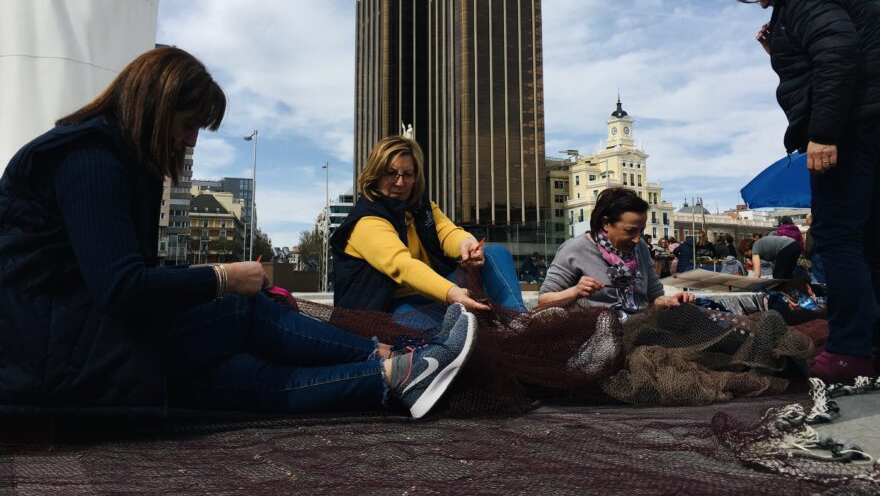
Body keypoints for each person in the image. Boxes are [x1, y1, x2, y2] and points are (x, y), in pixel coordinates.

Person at [0, 47, 476, 419]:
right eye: (188, 125)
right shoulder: (90, 160)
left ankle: (393, 377)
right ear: (151, 106)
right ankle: (390, 355)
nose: (191, 141)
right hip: (56, 355)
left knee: (234, 371)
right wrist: (224, 279)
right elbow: (122, 288)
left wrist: (219, 280)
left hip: (56, 358)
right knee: (241, 311)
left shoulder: (106, 160)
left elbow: (122, 282)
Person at [734, 0, 880, 381]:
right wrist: (780, 48)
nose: (759, 1)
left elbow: (838, 56)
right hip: (872, 121)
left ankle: (850, 350)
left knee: (837, 238)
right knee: (871, 239)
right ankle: (870, 346)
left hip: (853, 125)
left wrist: (823, 133)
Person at [331, 136, 525, 324]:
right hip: (388, 306)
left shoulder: (422, 206)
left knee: (494, 253)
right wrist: (452, 293)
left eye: (408, 174)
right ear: (376, 174)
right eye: (391, 173)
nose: (400, 182)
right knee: (431, 331)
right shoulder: (367, 220)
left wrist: (466, 244)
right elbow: (403, 266)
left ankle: (520, 321)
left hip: (434, 293)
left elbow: (448, 232)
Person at [538, 188, 694, 313]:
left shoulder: (640, 248)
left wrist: (672, 301)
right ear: (606, 223)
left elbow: (654, 298)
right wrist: (575, 291)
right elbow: (544, 300)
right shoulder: (575, 249)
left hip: (640, 331)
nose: (637, 239)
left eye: (641, 231)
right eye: (630, 231)